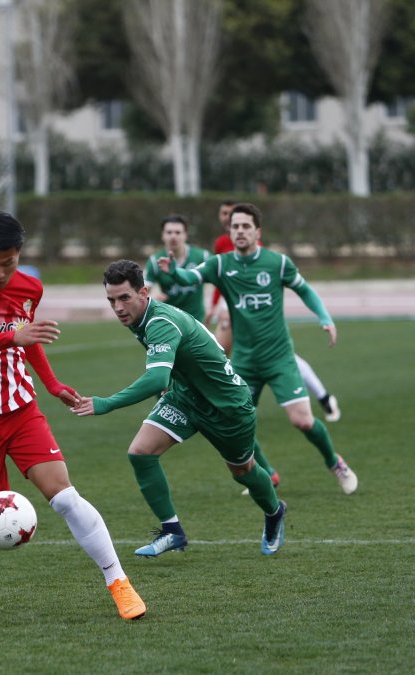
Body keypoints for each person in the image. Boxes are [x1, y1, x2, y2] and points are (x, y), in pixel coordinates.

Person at [0, 212, 146, 621]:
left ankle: (119, 582)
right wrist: (11, 336)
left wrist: (51, 384)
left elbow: (27, 337)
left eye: (8, 263)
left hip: (19, 409)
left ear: (19, 254)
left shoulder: (30, 287)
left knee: (65, 496)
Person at [70, 260, 287, 559]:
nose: (118, 307)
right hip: (185, 398)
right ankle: (172, 531)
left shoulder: (159, 322)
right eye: (111, 300)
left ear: (144, 293)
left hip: (228, 407)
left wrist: (107, 403)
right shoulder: (140, 317)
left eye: (124, 298)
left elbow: (156, 377)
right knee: (140, 453)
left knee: (243, 470)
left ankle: (275, 512)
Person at [160, 203, 358, 495]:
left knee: (302, 421)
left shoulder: (277, 263)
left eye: (246, 226)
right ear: (230, 231)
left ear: (257, 232)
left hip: (279, 358)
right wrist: (175, 271)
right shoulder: (220, 264)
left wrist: (325, 317)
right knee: (236, 423)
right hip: (244, 361)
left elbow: (304, 289)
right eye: (235, 227)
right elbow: (191, 278)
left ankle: (335, 462)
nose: (240, 231)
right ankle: (269, 474)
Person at [212, 200, 341, 423]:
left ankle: (323, 397)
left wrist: (324, 317)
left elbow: (252, 282)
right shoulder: (221, 244)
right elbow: (223, 280)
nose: (226, 218)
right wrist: (217, 304)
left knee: (281, 358)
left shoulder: (257, 250)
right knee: (219, 353)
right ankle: (222, 405)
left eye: (230, 214)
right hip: (236, 312)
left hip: (257, 319)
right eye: (223, 214)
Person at [143, 215, 211, 322]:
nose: (173, 236)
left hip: (197, 321)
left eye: (178, 232)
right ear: (162, 235)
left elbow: (222, 278)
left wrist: (217, 306)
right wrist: (152, 300)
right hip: (170, 321)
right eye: (169, 232)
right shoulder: (155, 261)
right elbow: (141, 294)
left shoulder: (202, 257)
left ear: (185, 235)